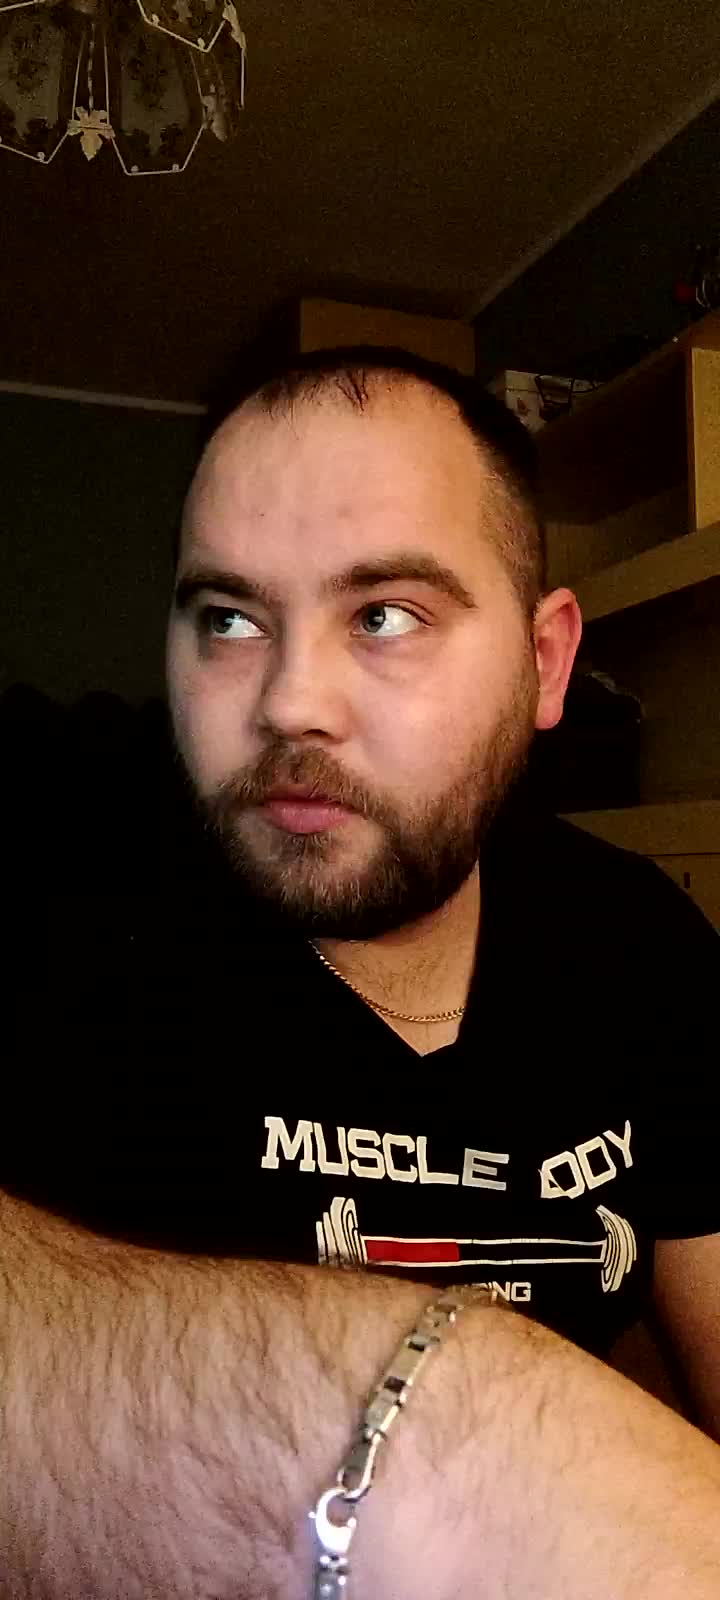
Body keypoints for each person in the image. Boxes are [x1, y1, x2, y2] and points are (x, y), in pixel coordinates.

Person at [3, 346, 719, 1593]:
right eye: (229, 619)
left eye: (384, 614)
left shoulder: (639, 945)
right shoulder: (60, 868)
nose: (290, 701)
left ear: (546, 663)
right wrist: (449, 1421)